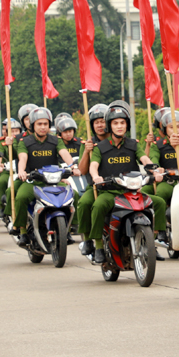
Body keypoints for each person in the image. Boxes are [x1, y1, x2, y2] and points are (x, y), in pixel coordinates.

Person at [88, 103, 166, 264]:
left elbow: (145, 159)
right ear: (110, 125)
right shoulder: (100, 147)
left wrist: (155, 172)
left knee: (159, 202)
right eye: (115, 123)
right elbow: (93, 165)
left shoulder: (133, 144)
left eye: (122, 123)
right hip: (110, 192)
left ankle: (151, 242)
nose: (119, 126)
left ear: (127, 125)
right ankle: (98, 246)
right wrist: (96, 177)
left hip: (131, 191)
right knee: (98, 206)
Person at [11, 108, 79, 243]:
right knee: (21, 197)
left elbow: (64, 153)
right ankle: (22, 230)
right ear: (33, 125)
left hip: (53, 180)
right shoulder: (24, 142)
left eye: (45, 124)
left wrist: (72, 166)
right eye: (39, 124)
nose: (43, 127)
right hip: (33, 181)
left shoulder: (56, 140)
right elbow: (22, 157)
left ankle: (70, 227)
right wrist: (21, 171)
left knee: (74, 194)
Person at [76, 103, 110, 254]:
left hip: (118, 186)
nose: (100, 125)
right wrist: (86, 152)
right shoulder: (88, 144)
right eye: (96, 122)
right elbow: (82, 170)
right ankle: (88, 239)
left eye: (103, 121)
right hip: (95, 187)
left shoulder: (117, 140)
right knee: (84, 203)